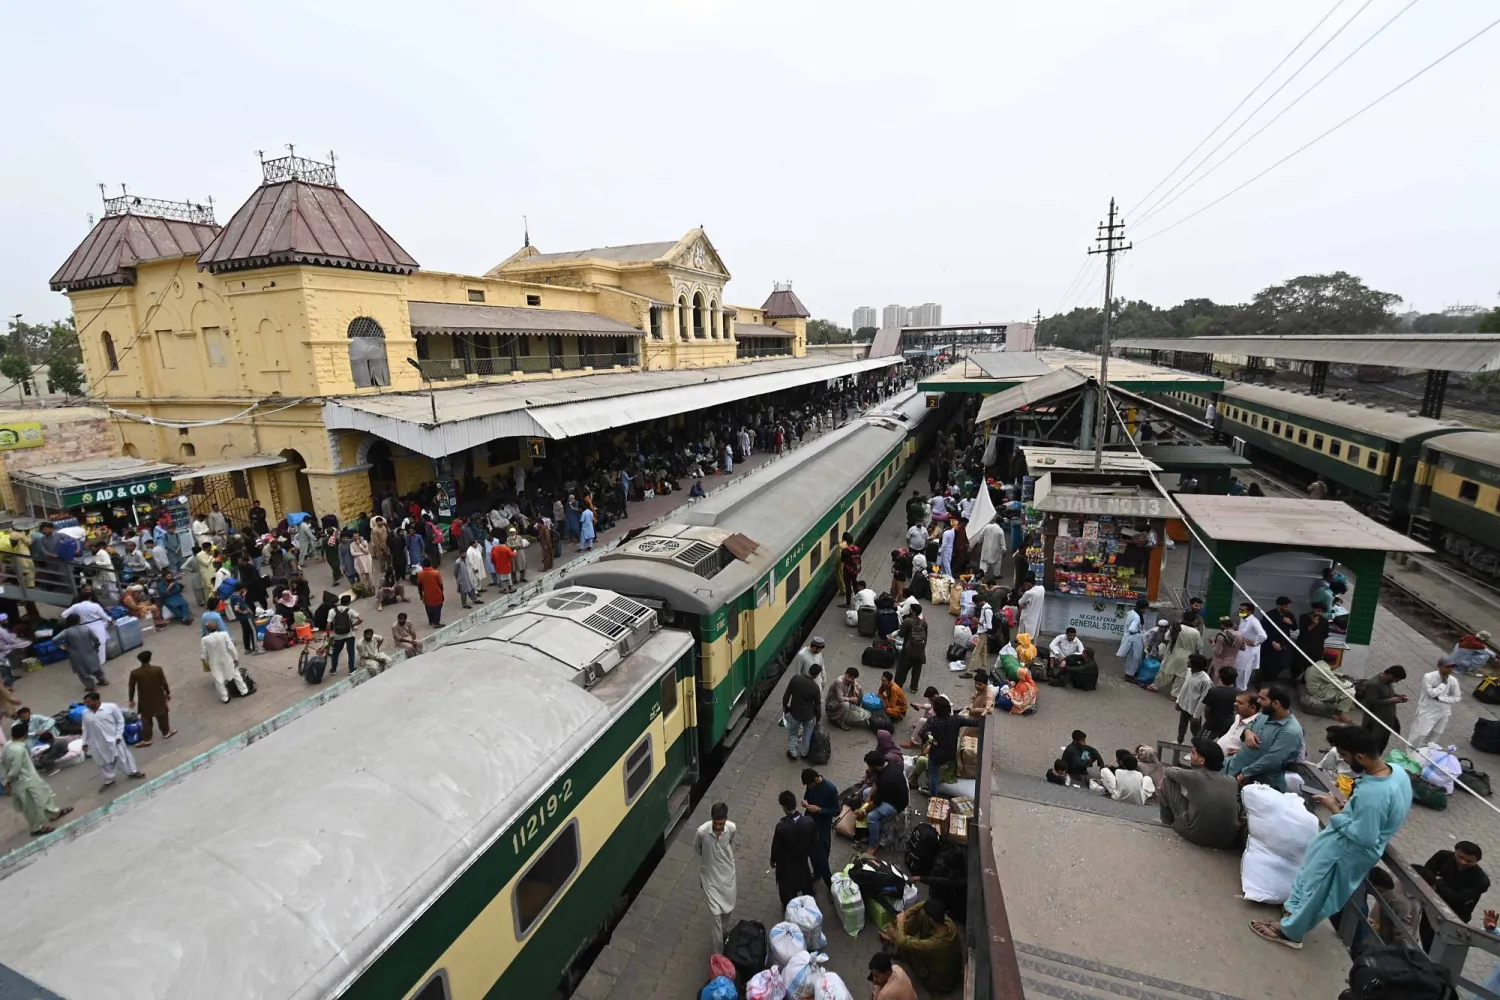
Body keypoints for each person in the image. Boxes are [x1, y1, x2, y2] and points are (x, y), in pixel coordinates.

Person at [1251, 725, 1411, 950]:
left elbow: (1364, 836)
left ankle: (1290, 932)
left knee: (1317, 891)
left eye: (1345, 756)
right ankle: (1290, 919)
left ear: (1360, 757)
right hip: (1351, 846)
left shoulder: (1373, 793)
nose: (1344, 761)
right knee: (1311, 883)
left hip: (1346, 850)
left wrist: (1335, 810)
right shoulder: (1397, 772)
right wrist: (1353, 810)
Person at [1158, 738, 1241, 849]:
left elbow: (1169, 771)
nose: (1190, 756)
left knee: (1168, 781)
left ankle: (1166, 822)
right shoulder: (1232, 780)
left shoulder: (1194, 776)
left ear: (1201, 761)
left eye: (1193, 753)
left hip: (1195, 833)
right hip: (1227, 838)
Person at [1224, 684, 1304, 791]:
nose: (1258, 701)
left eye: (1262, 698)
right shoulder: (1266, 713)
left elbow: (1272, 760)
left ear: (1276, 703)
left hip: (1256, 783)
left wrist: (1246, 773)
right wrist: (1248, 732)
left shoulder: (1290, 731)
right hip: (1234, 766)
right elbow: (1252, 723)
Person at [879, 897, 962, 993]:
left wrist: (901, 923)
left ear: (932, 920)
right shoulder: (947, 922)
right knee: (922, 914)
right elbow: (924, 904)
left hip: (938, 983)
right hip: (944, 965)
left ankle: (895, 942)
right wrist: (905, 914)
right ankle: (900, 935)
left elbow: (903, 942)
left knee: (910, 948)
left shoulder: (937, 943)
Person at [2, 722, 72, 835]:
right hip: (24, 781)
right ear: (24, 735)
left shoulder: (8, 745)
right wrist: (8, 782)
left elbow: (2, 762)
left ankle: (53, 813)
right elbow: (15, 769)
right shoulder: (18, 750)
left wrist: (5, 777)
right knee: (31, 806)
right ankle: (37, 828)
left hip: (29, 778)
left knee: (44, 793)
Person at [80, 690, 145, 792]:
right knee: (103, 762)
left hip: (114, 740)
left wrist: (118, 735)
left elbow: (120, 721)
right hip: (97, 743)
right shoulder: (85, 713)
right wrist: (84, 742)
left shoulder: (111, 707)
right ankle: (108, 780)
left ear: (96, 701)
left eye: (88, 702)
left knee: (123, 757)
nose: (86, 704)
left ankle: (132, 772)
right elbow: (85, 728)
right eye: (85, 702)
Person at [694, 802, 737, 954]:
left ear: (726, 819)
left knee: (727, 909)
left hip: (727, 877)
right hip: (710, 879)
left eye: (721, 823)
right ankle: (718, 954)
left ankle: (723, 934)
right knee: (715, 916)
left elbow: (730, 842)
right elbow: (698, 849)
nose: (718, 827)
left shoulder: (731, 828)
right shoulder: (702, 832)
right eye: (715, 823)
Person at [916, 697, 981, 796]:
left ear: (936, 709)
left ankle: (933, 795)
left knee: (933, 774)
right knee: (941, 770)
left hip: (936, 754)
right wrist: (985, 712)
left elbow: (921, 733)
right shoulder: (956, 719)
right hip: (951, 753)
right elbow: (974, 723)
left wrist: (932, 740)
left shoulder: (932, 721)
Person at [1419, 841, 1489, 927]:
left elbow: (1457, 900)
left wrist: (1438, 881)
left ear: (1476, 861)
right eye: (1460, 857)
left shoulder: (1481, 881)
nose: (1463, 862)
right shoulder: (1442, 856)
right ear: (1455, 852)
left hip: (1452, 916)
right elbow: (1424, 875)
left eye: (1469, 861)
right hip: (1426, 903)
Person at [770, 789, 816, 906]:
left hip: (786, 862)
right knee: (805, 878)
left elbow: (777, 846)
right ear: (795, 804)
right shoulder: (808, 821)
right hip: (802, 858)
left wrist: (773, 860)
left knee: (787, 887)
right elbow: (815, 841)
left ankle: (790, 906)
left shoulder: (782, 827)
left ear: (784, 807)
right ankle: (809, 899)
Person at [859, 748, 909, 855]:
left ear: (875, 766)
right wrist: (869, 797)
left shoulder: (887, 779)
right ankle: (871, 830)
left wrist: (863, 812)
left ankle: (873, 844)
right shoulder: (889, 765)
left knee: (871, 816)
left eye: (869, 766)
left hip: (896, 803)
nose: (869, 768)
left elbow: (876, 802)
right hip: (889, 794)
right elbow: (877, 782)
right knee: (866, 793)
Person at [1409, 657, 1462, 747]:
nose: (1450, 669)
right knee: (1420, 733)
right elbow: (1431, 694)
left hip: (1444, 712)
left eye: (1452, 667)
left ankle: (1426, 754)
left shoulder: (1453, 681)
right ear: (1439, 666)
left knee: (1436, 733)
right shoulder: (1429, 677)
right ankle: (1411, 752)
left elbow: (1456, 697)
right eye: (1447, 667)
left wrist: (1441, 699)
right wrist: (1443, 684)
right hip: (1427, 710)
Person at [800, 768, 839, 890]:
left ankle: (830, 884)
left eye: (809, 785)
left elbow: (836, 811)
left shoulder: (830, 789)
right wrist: (805, 802)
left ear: (816, 779)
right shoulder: (810, 784)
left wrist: (820, 810)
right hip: (810, 822)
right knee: (812, 852)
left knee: (822, 857)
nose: (809, 787)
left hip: (822, 825)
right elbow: (807, 795)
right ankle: (817, 873)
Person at [1355, 665, 1407, 754]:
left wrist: (1398, 697)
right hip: (1375, 721)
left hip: (1386, 719)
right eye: (1397, 680)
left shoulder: (1387, 682)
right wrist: (1390, 700)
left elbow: (1387, 694)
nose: (1396, 682)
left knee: (1382, 743)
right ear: (1391, 675)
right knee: (1374, 745)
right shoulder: (1374, 684)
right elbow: (1370, 702)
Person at [127, 650, 175, 745]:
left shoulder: (135, 673)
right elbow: (163, 683)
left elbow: (131, 687)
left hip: (144, 699)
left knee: (145, 718)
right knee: (162, 714)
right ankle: (166, 732)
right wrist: (167, 693)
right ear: (149, 659)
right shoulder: (157, 669)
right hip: (158, 696)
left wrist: (131, 699)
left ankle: (147, 739)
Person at [1150, 615, 1203, 698]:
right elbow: (1199, 646)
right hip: (1187, 656)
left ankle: (1154, 686)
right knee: (1181, 676)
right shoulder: (1196, 632)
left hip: (1172, 653)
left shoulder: (1175, 627)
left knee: (1165, 671)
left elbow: (1166, 637)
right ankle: (1174, 695)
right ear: (1193, 621)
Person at [201, 620, 248, 702]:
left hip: (214, 662)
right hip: (227, 659)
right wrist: (235, 658)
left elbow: (204, 653)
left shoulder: (204, 640)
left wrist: (205, 662)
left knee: (219, 680)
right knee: (236, 675)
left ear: (207, 630)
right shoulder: (224, 635)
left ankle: (225, 698)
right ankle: (244, 691)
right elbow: (231, 648)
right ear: (217, 627)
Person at [57, 613, 107, 691]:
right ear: (78, 621)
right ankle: (103, 681)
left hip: (76, 655)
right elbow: (96, 640)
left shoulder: (66, 632)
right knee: (96, 667)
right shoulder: (86, 628)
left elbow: (54, 640)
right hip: (90, 651)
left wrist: (62, 646)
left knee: (82, 671)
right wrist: (96, 648)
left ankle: (91, 687)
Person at [782, 663, 822, 760]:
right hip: (809, 715)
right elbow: (817, 706)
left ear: (809, 670)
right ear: (817, 675)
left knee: (793, 733)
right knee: (807, 734)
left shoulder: (795, 679)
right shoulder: (815, 688)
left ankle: (793, 753)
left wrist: (785, 705)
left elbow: (787, 694)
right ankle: (804, 754)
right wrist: (818, 718)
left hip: (795, 713)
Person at [1258, 597, 1298, 682]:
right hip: (1270, 643)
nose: (1288, 608)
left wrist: (1290, 622)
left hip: (1283, 643)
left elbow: (1295, 627)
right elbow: (1264, 630)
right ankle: (1264, 682)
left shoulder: (1289, 615)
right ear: (1279, 606)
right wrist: (1272, 642)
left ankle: (1271, 679)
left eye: (1289, 606)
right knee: (1267, 664)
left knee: (1283, 662)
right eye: (1286, 607)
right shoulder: (1270, 614)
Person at [1175, 654, 1213, 744]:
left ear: (1195, 665)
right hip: (1184, 705)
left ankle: (1198, 747)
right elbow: (1184, 688)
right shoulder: (1189, 672)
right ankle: (1179, 741)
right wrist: (1178, 701)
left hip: (1194, 709)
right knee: (1182, 724)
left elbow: (1203, 699)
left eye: (1190, 662)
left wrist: (1196, 715)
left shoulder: (1206, 681)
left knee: (1195, 730)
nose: (1187, 663)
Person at [1200, 665, 1241, 742]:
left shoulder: (1213, 691)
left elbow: (1207, 709)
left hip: (1212, 722)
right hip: (1228, 723)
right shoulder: (1238, 692)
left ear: (1220, 678)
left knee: (1201, 742)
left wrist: (1208, 719)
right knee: (1226, 743)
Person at [1218, 689, 1261, 756]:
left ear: (1252, 707)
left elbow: (1259, 749)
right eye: (1236, 701)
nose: (1235, 704)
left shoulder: (1258, 725)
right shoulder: (1238, 716)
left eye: (1240, 703)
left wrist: (1244, 752)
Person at [895, 605, 928, 691]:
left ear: (913, 612)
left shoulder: (907, 622)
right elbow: (925, 637)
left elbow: (901, 634)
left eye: (910, 609)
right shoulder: (923, 623)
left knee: (902, 670)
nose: (908, 610)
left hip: (907, 651)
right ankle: (913, 688)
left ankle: (897, 686)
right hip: (919, 651)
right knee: (916, 671)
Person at [1234, 602, 1266, 690]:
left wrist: (1255, 643)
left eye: (1242, 610)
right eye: (1239, 609)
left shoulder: (1253, 621)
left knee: (1244, 672)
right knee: (1238, 671)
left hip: (1248, 651)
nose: (1240, 611)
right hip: (1241, 649)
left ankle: (1241, 691)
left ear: (1249, 611)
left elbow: (1263, 635)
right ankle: (1237, 690)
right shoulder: (1243, 619)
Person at [1294, 604, 1331, 681]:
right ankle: (1295, 678)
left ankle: (1306, 680)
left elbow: (1325, 634)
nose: (1319, 613)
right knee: (1299, 662)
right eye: (1318, 611)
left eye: (1321, 612)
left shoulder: (1324, 620)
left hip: (1316, 646)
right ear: (1313, 609)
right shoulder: (1304, 617)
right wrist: (1314, 623)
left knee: (1312, 664)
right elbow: (1303, 631)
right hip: (1303, 644)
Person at [328, 595, 362, 675]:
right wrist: (352, 625)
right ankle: (351, 670)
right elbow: (361, 619)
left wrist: (328, 634)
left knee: (335, 653)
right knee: (351, 653)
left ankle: (333, 670)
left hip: (337, 636)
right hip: (349, 635)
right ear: (348, 602)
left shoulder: (332, 611)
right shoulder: (350, 611)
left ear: (340, 601)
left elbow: (328, 624)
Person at [1117, 597, 1150, 680]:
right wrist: (1139, 632)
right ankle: (1129, 675)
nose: (1146, 610)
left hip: (1130, 637)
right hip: (1135, 638)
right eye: (1145, 608)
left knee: (1132, 656)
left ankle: (1130, 673)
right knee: (1136, 657)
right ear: (1142, 608)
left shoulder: (1132, 612)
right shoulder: (1137, 617)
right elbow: (1131, 629)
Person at [229, 584, 258, 655]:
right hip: (246, 617)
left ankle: (247, 648)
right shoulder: (237, 598)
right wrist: (243, 612)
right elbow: (236, 608)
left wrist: (244, 596)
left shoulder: (234, 596)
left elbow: (241, 604)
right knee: (253, 631)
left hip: (241, 618)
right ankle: (255, 649)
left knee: (246, 632)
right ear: (241, 589)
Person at [417, 559, 445, 627]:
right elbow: (440, 584)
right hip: (437, 594)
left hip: (427, 595)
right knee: (437, 608)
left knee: (429, 607)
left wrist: (421, 594)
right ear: (431, 563)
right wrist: (442, 593)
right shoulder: (435, 573)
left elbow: (419, 585)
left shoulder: (420, 574)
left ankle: (431, 621)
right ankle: (436, 623)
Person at [1017, 574, 1045, 642]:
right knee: (1034, 633)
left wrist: (1024, 603)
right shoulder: (1041, 588)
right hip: (1037, 615)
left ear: (1028, 583)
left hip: (1027, 616)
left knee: (1026, 636)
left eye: (1025, 584)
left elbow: (1020, 602)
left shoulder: (1029, 593)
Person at [839, 532, 862, 608]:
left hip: (847, 571)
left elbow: (842, 561)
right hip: (855, 570)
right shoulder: (858, 549)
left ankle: (848, 603)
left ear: (846, 541)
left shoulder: (845, 550)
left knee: (848, 586)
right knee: (855, 583)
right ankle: (858, 600)